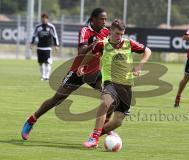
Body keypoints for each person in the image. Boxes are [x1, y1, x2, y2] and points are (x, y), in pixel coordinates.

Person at [21, 8, 110, 140]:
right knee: (57, 99)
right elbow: (81, 51)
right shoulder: (85, 31)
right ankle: (32, 119)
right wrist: (93, 45)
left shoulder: (106, 32)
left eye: (106, 19)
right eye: (102, 19)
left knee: (110, 99)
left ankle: (103, 130)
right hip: (78, 71)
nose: (104, 22)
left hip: (95, 72)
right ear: (93, 19)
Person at [77, 19, 152, 148]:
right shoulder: (102, 44)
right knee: (105, 102)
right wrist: (82, 65)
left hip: (126, 86)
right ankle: (94, 138)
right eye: (117, 33)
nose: (120, 37)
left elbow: (148, 51)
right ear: (110, 31)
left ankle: (95, 136)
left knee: (117, 122)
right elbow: (91, 53)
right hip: (110, 82)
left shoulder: (129, 44)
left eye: (122, 34)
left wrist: (140, 66)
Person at [30, 13, 59, 81]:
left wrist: (56, 45)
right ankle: (42, 76)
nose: (44, 19)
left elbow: (55, 36)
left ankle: (47, 76)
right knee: (41, 63)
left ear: (47, 19)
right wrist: (32, 43)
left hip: (48, 47)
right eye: (42, 18)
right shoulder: (38, 27)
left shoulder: (51, 27)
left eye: (45, 18)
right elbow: (34, 35)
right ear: (41, 19)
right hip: (40, 47)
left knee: (47, 62)